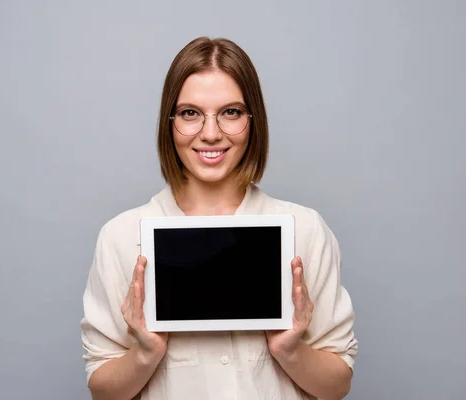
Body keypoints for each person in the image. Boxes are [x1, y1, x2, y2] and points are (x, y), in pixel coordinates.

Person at [80, 36, 358, 400]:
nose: (211, 134)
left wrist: (289, 350)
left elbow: (337, 385)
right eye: (190, 113)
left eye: (231, 112)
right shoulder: (120, 237)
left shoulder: (305, 230)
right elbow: (103, 389)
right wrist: (146, 353)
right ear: (170, 122)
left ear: (253, 120)